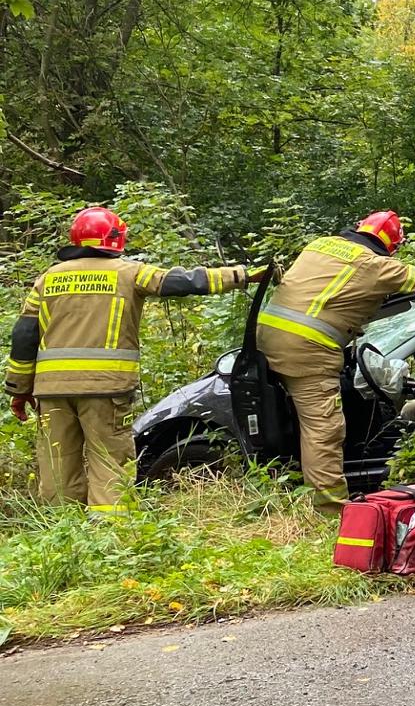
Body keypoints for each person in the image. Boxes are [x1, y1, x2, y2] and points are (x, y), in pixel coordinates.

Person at [4, 207, 265, 514]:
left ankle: (62, 531)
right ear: (115, 240)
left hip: (52, 391)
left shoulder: (48, 278)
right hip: (106, 388)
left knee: (57, 463)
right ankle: (109, 536)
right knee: (109, 461)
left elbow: (24, 336)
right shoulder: (129, 272)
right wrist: (242, 275)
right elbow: (183, 282)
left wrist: (19, 389)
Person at [256, 211, 415, 510]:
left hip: (268, 340)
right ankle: (330, 510)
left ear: (360, 227)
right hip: (308, 350)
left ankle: (279, 483)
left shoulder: (320, 246)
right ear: (392, 246)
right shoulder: (375, 266)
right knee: (324, 429)